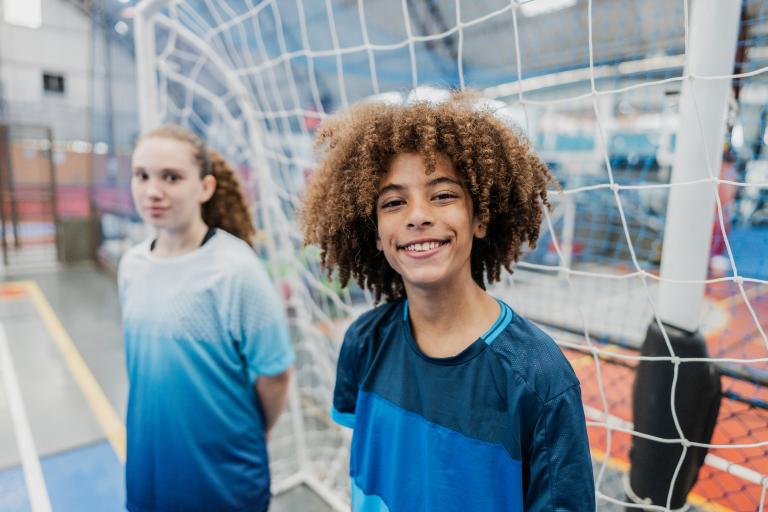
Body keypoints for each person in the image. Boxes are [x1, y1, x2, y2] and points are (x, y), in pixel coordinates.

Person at [301, 91, 595, 511]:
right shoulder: (363, 342)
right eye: (394, 202)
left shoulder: (538, 376)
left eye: (442, 195)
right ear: (377, 234)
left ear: (479, 219)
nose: (417, 215)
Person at [118, 124, 294, 512]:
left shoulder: (235, 270)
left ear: (205, 187)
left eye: (171, 177)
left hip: (222, 475)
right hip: (149, 465)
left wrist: (251, 431)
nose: (152, 191)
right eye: (141, 175)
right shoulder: (131, 265)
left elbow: (276, 373)